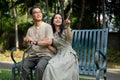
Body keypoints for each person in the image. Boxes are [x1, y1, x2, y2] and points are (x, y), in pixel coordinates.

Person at [20, 6, 54, 80]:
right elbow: (26, 45)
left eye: (40, 12)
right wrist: (25, 41)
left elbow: (49, 42)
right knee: (22, 66)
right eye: (35, 12)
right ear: (32, 16)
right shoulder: (30, 29)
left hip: (45, 55)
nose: (38, 14)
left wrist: (35, 42)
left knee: (39, 67)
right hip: (32, 55)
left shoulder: (48, 27)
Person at [42, 13, 79, 80]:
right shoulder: (51, 33)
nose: (58, 19)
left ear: (62, 21)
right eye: (56, 18)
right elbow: (55, 50)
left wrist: (68, 26)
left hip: (68, 54)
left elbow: (70, 39)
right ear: (53, 21)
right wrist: (47, 45)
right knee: (50, 66)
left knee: (56, 67)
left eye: (60, 18)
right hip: (58, 55)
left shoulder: (65, 30)